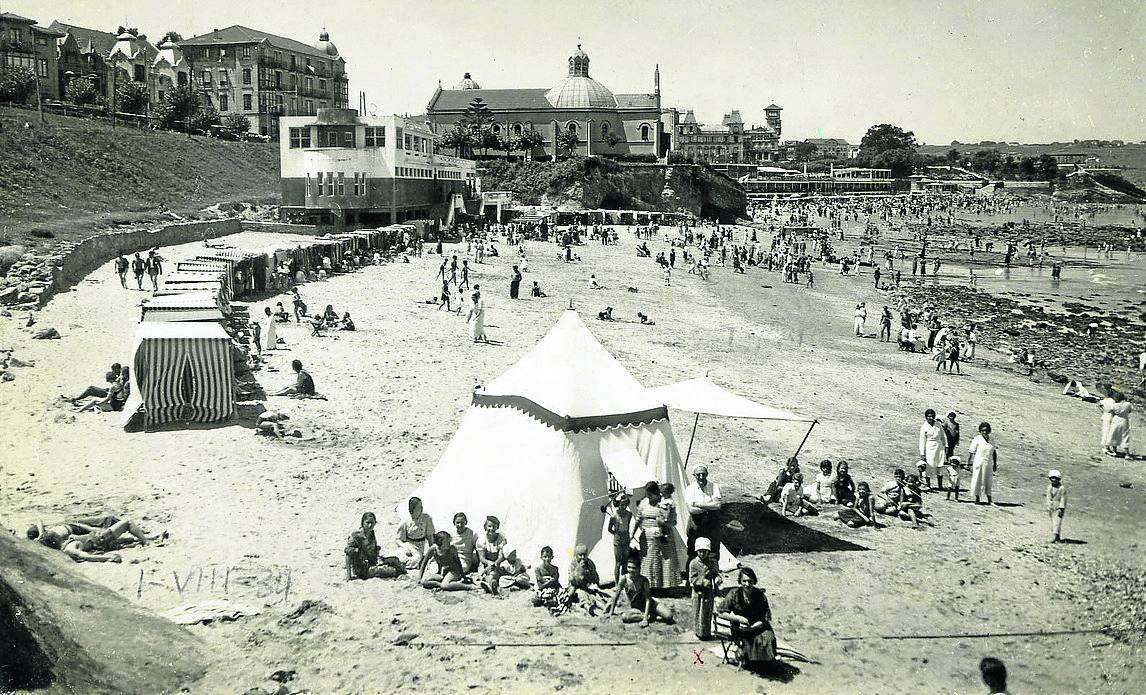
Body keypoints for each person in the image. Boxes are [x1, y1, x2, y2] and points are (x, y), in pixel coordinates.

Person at [29, 515, 162, 563]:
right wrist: (108, 558)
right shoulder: (68, 548)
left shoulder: (64, 545)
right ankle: (146, 541)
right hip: (99, 539)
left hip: (97, 542)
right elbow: (86, 557)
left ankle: (149, 538)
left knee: (124, 539)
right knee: (127, 523)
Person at [716, 567, 777, 665]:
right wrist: (738, 618)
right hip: (740, 627)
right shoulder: (734, 594)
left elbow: (765, 618)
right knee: (749, 642)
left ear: (754, 581)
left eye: (750, 581)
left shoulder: (760, 596)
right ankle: (749, 656)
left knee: (769, 638)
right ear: (740, 581)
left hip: (758, 626)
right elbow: (721, 612)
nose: (747, 584)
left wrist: (753, 627)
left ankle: (762, 661)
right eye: (744, 581)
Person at [605, 556, 674, 627]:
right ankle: (652, 617)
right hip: (637, 608)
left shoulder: (644, 581)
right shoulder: (624, 579)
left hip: (650, 604)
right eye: (629, 567)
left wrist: (645, 619)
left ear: (639, 569)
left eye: (634, 568)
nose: (631, 570)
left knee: (669, 616)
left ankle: (648, 615)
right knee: (625, 617)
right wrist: (611, 612)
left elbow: (648, 600)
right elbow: (616, 595)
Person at [636, 481, 679, 590]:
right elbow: (638, 518)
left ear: (657, 493)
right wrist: (632, 533)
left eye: (650, 495)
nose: (648, 497)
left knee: (666, 561)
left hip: (664, 535)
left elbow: (673, 521)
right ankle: (650, 586)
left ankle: (667, 587)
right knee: (650, 561)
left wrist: (663, 523)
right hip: (648, 538)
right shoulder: (643, 503)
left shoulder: (665, 502)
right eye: (647, 495)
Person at [476, 515, 529, 594]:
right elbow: (482, 558)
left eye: (494, 526)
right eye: (489, 526)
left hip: (499, 563)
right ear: (485, 527)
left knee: (504, 572)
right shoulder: (481, 540)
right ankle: (491, 584)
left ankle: (495, 583)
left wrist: (496, 563)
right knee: (491, 573)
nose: (492, 529)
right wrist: (489, 563)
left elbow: (501, 555)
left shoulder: (501, 538)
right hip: (486, 564)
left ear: (497, 527)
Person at [345, 512, 405, 580]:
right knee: (392, 570)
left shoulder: (371, 533)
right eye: (367, 523)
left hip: (373, 561)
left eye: (372, 523)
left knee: (395, 560)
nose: (370, 525)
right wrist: (348, 576)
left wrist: (377, 552)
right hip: (362, 569)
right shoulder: (356, 536)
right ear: (363, 522)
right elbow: (347, 552)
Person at [685, 464, 723, 563]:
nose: (701, 477)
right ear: (694, 475)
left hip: (712, 521)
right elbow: (691, 510)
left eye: (703, 474)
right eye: (698, 475)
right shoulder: (690, 488)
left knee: (713, 548)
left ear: (707, 474)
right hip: (696, 522)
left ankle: (712, 574)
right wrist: (709, 506)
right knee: (693, 548)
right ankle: (692, 575)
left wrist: (698, 504)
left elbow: (718, 505)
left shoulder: (714, 486)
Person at [689, 537, 720, 640]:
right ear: (697, 551)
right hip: (697, 593)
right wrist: (701, 582)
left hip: (708, 592)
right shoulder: (693, 563)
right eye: (700, 551)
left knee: (707, 612)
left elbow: (715, 573)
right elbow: (692, 578)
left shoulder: (712, 563)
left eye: (705, 552)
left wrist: (717, 579)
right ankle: (697, 633)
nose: (702, 554)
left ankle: (706, 633)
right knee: (697, 612)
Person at [601, 492, 633, 583]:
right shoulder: (614, 516)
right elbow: (609, 529)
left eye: (625, 505)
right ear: (618, 504)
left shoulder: (629, 514)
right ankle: (616, 582)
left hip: (626, 539)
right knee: (618, 563)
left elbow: (628, 525)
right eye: (622, 505)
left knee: (625, 562)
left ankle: (624, 582)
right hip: (618, 540)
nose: (623, 507)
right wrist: (616, 534)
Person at [967, 421, 998, 504]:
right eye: (983, 430)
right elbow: (971, 452)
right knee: (978, 479)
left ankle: (989, 499)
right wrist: (968, 463)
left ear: (989, 430)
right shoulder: (977, 439)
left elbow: (994, 452)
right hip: (978, 462)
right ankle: (977, 498)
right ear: (980, 431)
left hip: (988, 463)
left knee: (988, 480)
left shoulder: (991, 439)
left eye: (986, 430)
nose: (984, 432)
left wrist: (995, 463)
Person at [918, 408, 948, 491]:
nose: (931, 418)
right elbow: (922, 441)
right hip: (929, 447)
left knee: (940, 465)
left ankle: (940, 485)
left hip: (939, 447)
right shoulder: (924, 427)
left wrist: (946, 446)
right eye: (929, 416)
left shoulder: (938, 424)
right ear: (926, 417)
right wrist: (922, 453)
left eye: (932, 416)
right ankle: (928, 485)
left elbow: (943, 436)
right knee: (929, 466)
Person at [1103, 391, 1133, 457]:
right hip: (1125, 420)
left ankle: (1114, 451)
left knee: (1114, 434)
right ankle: (1127, 454)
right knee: (1125, 436)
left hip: (1116, 419)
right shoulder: (1128, 404)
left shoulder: (1114, 405)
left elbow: (1110, 411)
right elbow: (1130, 411)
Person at [1046, 469, 1067, 543]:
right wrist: (1048, 505)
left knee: (1057, 522)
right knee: (1053, 522)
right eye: (1052, 478)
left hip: (1058, 507)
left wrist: (1061, 508)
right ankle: (1057, 537)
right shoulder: (1049, 487)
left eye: (1055, 478)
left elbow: (1063, 498)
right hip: (1052, 506)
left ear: (1058, 479)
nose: (1053, 480)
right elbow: (1048, 497)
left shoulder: (1062, 488)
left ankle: (1054, 537)